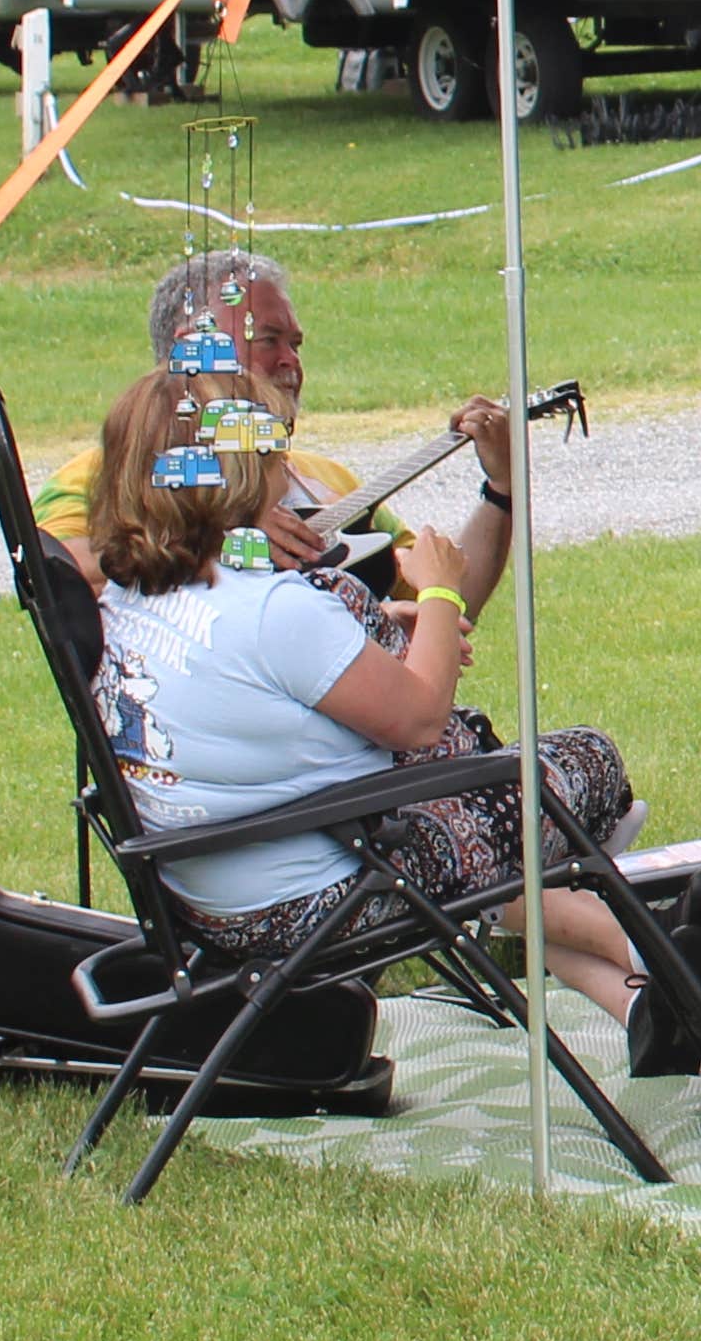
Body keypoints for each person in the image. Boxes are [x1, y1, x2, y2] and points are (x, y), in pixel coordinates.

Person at [81, 363, 649, 1028]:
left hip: (205, 895)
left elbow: (265, 688)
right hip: (325, 896)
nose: (285, 471)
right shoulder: (269, 609)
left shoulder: (128, 593)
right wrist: (435, 588)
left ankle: (638, 1001)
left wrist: (382, 629)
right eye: (272, 454)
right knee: (586, 764)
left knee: (504, 845)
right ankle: (661, 978)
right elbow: (419, 721)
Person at [38, 247, 520, 603]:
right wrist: (220, 537)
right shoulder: (103, 474)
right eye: (268, 340)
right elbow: (57, 577)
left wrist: (501, 488)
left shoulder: (325, 483)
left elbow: (447, 596)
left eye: (296, 344)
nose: (291, 361)